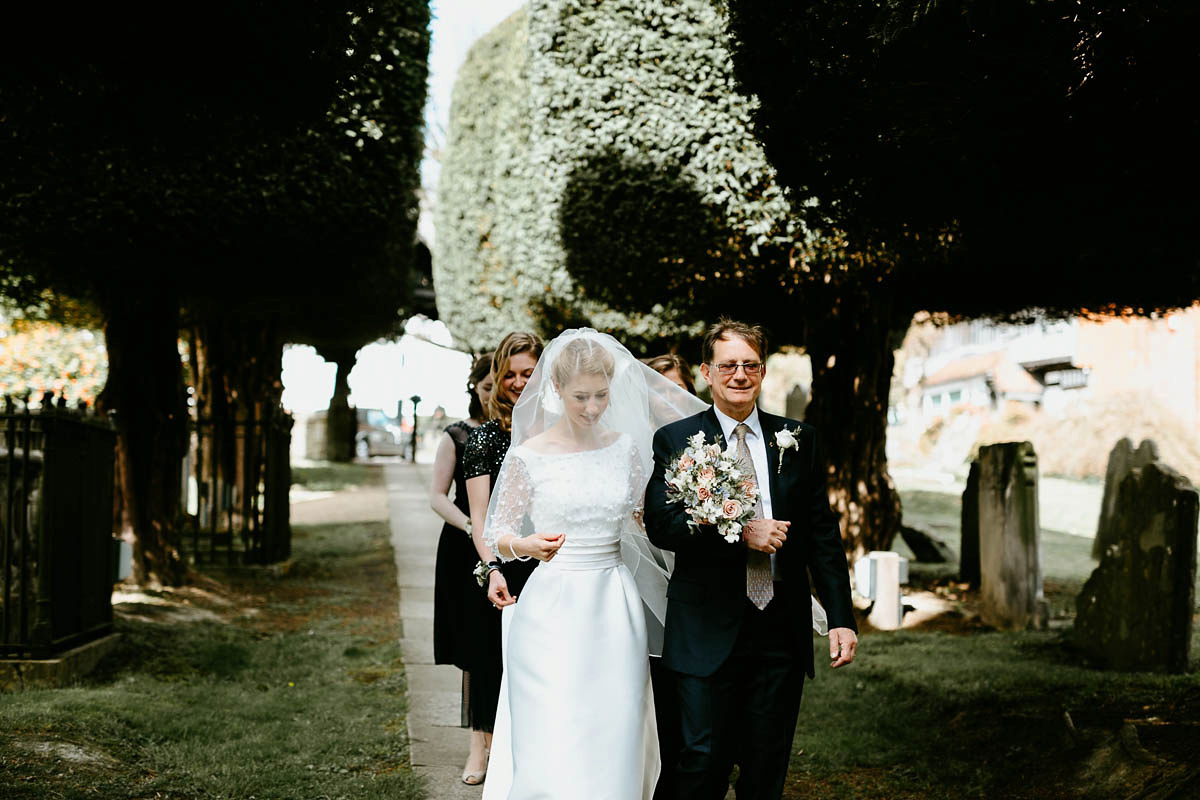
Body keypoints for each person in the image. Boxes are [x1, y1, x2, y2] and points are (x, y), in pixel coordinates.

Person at [481, 330, 707, 800]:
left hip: (613, 602)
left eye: (601, 395)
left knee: (615, 724)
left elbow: (647, 522)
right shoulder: (528, 455)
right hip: (551, 607)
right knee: (554, 724)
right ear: (556, 391)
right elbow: (494, 532)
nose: (591, 407)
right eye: (580, 396)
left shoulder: (626, 448)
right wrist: (525, 544)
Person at [644, 318, 857, 800]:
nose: (739, 375)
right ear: (706, 372)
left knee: (765, 769)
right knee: (701, 760)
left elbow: (822, 533)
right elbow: (663, 525)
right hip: (704, 628)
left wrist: (842, 617)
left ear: (762, 371)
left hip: (779, 629)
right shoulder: (677, 441)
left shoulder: (797, 439)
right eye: (728, 366)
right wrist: (740, 532)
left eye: (750, 365)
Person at [461, 331, 545, 785]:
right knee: (489, 658)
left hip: (556, 559)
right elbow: (480, 518)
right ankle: (480, 747)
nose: (517, 382)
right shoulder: (485, 440)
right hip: (503, 562)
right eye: (509, 374)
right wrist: (491, 566)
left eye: (528, 372)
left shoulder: (559, 430)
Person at [428, 353, 494, 784]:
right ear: (476, 388)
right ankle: (478, 746)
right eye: (487, 386)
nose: (494, 393)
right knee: (478, 648)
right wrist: (473, 525)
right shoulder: (458, 435)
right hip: (465, 546)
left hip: (515, 547)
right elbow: (437, 496)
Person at [641, 352, 698, 800]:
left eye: (676, 388)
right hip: (645, 580)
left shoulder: (705, 441)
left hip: (698, 580)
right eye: (658, 390)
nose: (669, 399)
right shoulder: (633, 443)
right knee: (656, 682)